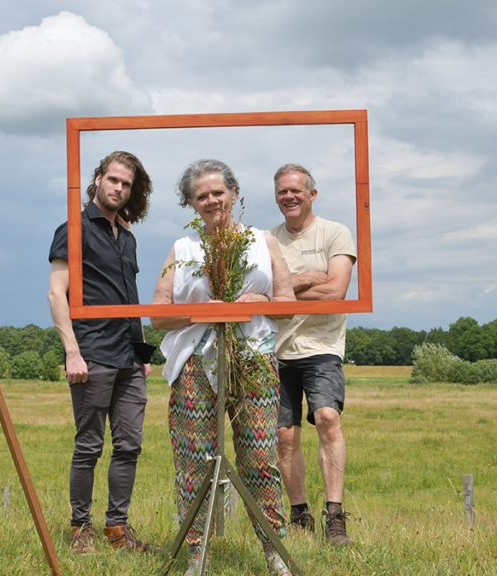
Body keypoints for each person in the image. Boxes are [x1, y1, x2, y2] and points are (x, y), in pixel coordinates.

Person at [151, 159, 296, 576]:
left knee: (258, 457)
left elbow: (287, 304)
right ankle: (198, 555)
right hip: (196, 364)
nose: (212, 200)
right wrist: (198, 313)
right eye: (202, 196)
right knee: (194, 460)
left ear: (233, 193)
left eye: (218, 192)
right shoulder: (183, 249)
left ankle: (275, 553)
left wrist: (263, 303)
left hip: (254, 360)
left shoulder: (262, 240)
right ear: (191, 204)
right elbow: (158, 316)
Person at [47, 151, 159, 555]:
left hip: (129, 358)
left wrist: (143, 353)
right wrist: (72, 353)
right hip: (92, 352)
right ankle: (81, 529)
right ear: (96, 180)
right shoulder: (72, 230)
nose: (118, 188)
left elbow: (131, 299)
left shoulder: (127, 236)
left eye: (126, 184)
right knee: (89, 445)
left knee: (129, 444)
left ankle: (117, 530)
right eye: (113, 180)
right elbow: (56, 292)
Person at [270, 164, 356, 546]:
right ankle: (299, 513)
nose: (288, 197)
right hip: (276, 348)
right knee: (285, 436)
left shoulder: (334, 232)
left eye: (295, 190)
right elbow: (257, 294)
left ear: (311, 194)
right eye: (281, 191)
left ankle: (335, 514)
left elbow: (335, 291)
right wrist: (305, 279)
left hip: (322, 346)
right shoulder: (266, 240)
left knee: (327, 417)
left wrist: (284, 287)